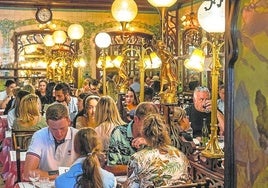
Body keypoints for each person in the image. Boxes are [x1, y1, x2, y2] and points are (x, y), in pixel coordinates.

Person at [126, 114, 191, 187]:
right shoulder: (180, 155)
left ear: (143, 133)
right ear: (165, 132)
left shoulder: (137, 158)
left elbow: (132, 186)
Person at [23, 103, 78, 180]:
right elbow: (28, 173)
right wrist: (63, 175)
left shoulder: (78, 136)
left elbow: (89, 170)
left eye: (62, 128)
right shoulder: (39, 135)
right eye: (54, 129)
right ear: (47, 123)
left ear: (69, 121)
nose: (59, 133)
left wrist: (45, 175)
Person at [106, 102, 159, 175]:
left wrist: (149, 142)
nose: (150, 128)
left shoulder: (156, 133)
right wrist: (139, 168)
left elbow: (163, 164)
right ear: (136, 119)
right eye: (146, 124)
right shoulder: (119, 133)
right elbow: (111, 168)